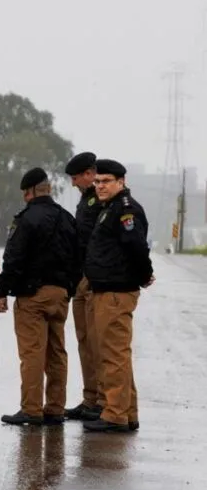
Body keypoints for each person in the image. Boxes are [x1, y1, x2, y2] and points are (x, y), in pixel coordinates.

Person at [0, 167, 79, 426]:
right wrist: (69, 289)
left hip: (32, 295)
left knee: (32, 352)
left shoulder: (26, 219)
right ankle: (55, 408)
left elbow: (14, 258)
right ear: (48, 189)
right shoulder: (67, 218)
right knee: (57, 352)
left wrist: (3, 291)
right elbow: (78, 258)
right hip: (60, 294)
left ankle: (31, 408)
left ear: (29, 192)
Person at [83, 159, 154, 432]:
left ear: (121, 182)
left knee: (113, 356)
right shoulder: (109, 208)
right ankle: (127, 411)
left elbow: (136, 246)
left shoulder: (125, 210)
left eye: (106, 182)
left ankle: (114, 414)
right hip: (106, 288)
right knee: (117, 355)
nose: (100, 186)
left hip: (116, 291)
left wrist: (144, 274)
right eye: (97, 182)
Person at [63, 152, 106, 422]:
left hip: (94, 277)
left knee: (98, 343)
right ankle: (90, 398)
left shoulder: (100, 199)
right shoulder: (85, 200)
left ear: (90, 174)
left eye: (76, 177)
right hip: (81, 277)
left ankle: (103, 401)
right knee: (84, 342)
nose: (74, 183)